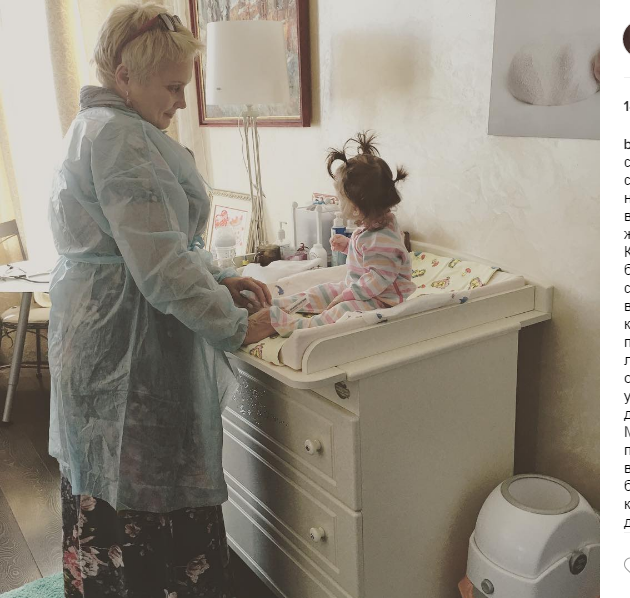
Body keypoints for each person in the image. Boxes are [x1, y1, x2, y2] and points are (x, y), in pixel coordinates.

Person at [47, 3, 275, 596]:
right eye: (172, 88)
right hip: (123, 346)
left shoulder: (98, 126)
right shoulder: (120, 137)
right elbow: (161, 263)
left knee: (113, 485)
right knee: (145, 492)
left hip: (101, 338)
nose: (180, 102)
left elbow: (153, 245)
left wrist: (218, 280)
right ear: (125, 75)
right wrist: (233, 324)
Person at [261, 132, 416, 338]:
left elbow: (378, 278)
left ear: (357, 207)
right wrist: (349, 245)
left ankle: (300, 326)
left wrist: (347, 296)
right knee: (323, 290)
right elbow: (370, 255)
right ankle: (281, 304)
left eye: (341, 199)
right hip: (361, 288)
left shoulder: (382, 239)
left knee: (342, 310)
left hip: (382, 301)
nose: (338, 202)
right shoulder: (375, 226)